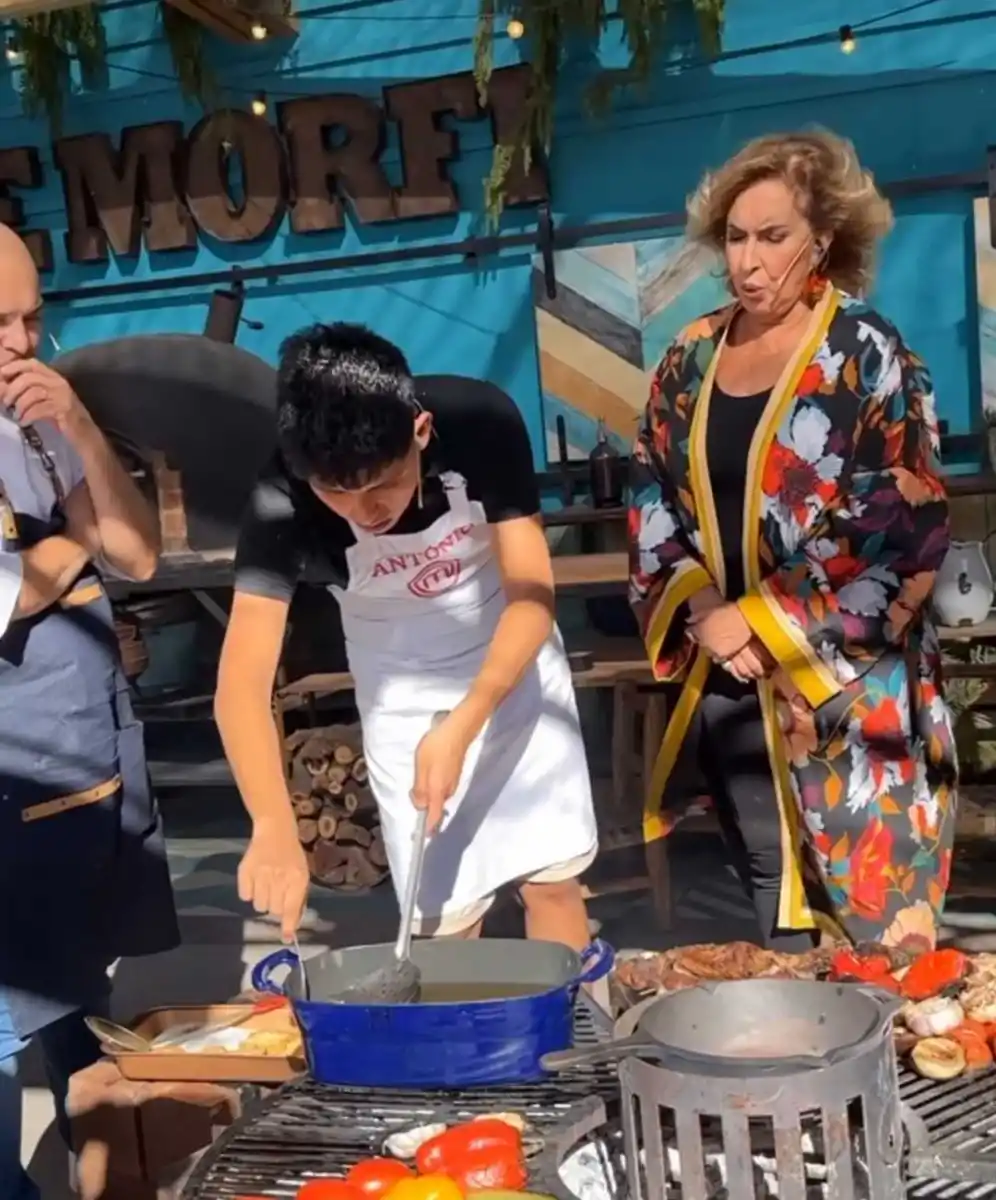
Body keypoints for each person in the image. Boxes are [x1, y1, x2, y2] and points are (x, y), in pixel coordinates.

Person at [628, 130, 957, 953]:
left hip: (844, 682)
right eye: (736, 237)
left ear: (823, 237)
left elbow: (899, 514)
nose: (749, 260)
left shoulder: (867, 352)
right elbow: (652, 487)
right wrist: (705, 605)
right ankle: (795, 1064)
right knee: (767, 885)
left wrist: (766, 618)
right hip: (728, 676)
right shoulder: (689, 356)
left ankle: (885, 1072)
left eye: (772, 236)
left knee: (873, 922)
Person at [216, 323, 598, 950]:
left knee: (551, 880)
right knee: (445, 917)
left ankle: (584, 1035)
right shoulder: (278, 500)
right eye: (338, 493)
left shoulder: (481, 422)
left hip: (512, 663)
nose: (367, 511)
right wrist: (272, 825)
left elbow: (532, 598)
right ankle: (468, 1047)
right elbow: (241, 685)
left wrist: (466, 719)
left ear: (419, 431)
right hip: (400, 693)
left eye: (384, 482)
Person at [0, 227, 179, 1199]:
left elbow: (137, 551)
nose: (24, 342)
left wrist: (76, 427)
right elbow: (17, 592)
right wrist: (71, 549)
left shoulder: (34, 419)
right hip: (9, 803)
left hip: (79, 786)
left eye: (33, 317)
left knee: (88, 1046)